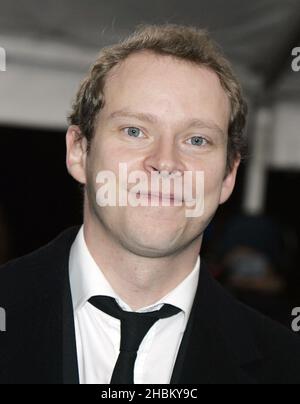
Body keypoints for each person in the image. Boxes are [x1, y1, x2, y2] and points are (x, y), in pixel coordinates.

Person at [0, 24, 299, 385]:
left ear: (228, 176)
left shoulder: (285, 364)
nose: (166, 161)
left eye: (197, 139)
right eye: (134, 131)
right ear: (79, 151)